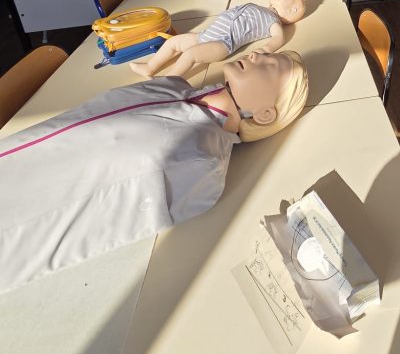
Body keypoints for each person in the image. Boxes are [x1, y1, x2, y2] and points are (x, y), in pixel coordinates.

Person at [0, 50, 308, 293]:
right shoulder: (173, 87)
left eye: (269, 65)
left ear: (265, 115)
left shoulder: (200, 159)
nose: (255, 54)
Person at [131, 0, 305, 79]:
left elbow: (279, 38)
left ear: (293, 11)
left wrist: (263, 51)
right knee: (174, 42)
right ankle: (150, 67)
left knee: (190, 55)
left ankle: (166, 81)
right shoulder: (263, 8)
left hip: (223, 43)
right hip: (205, 35)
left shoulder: (273, 21)